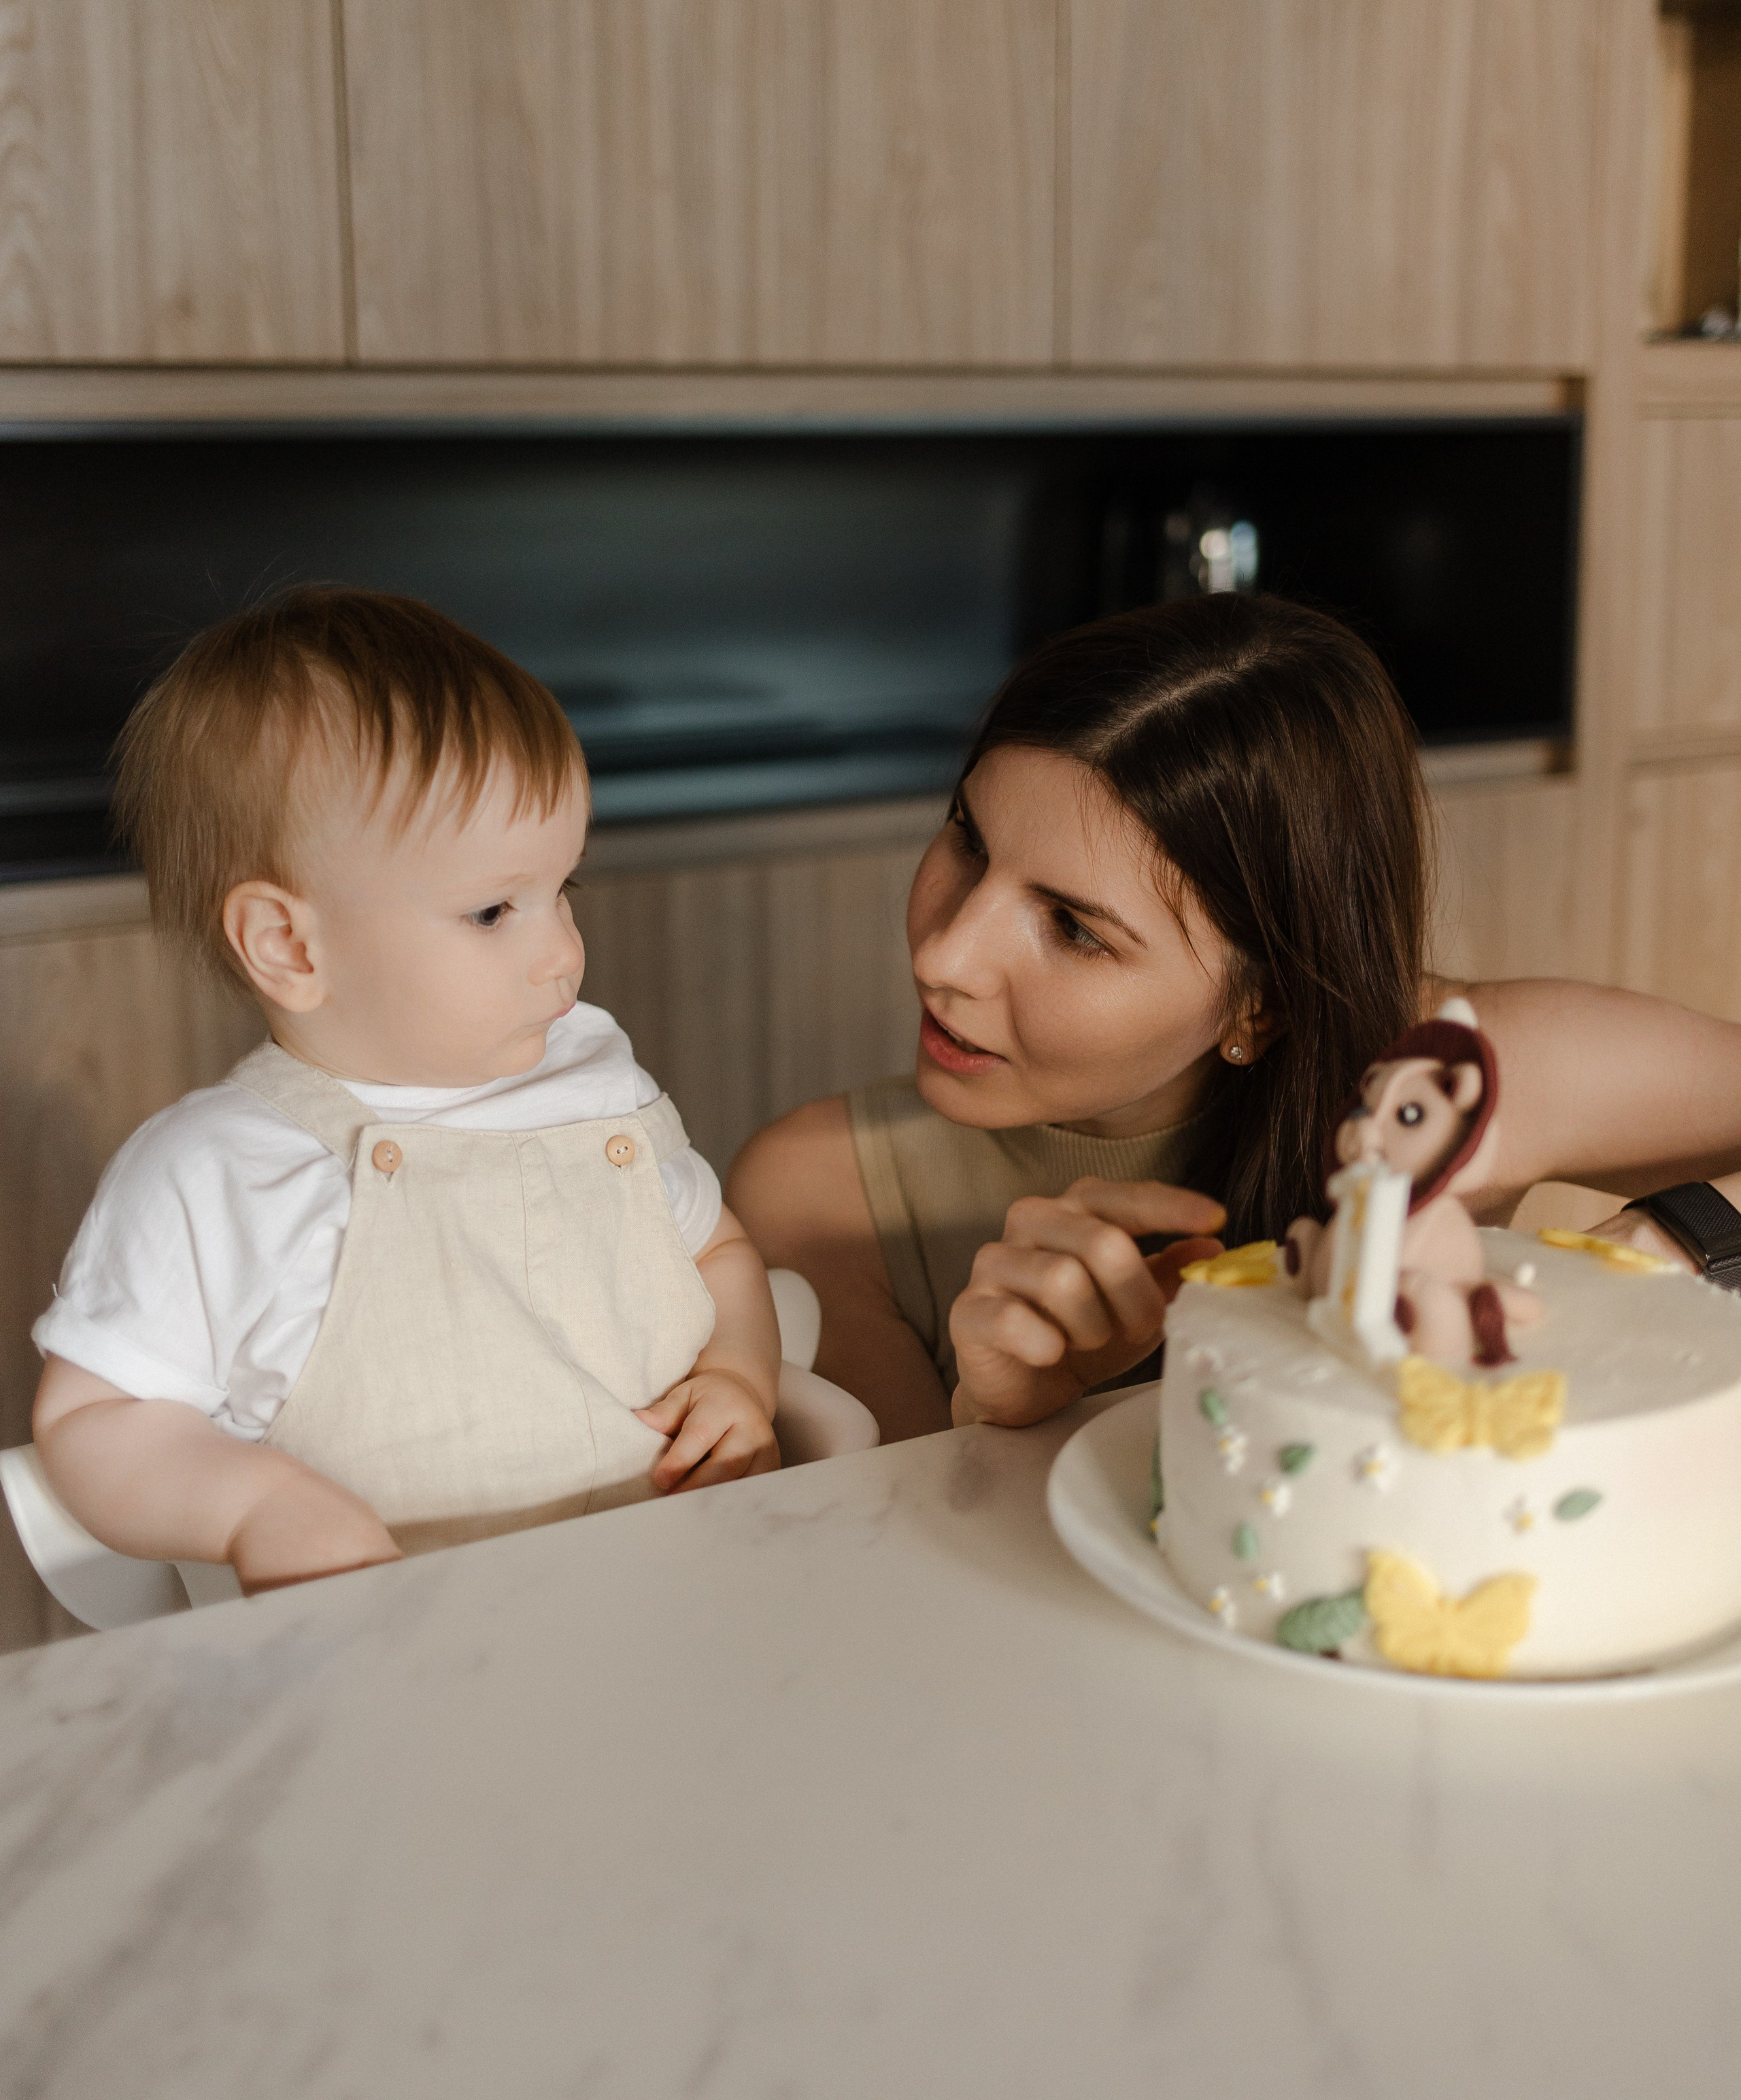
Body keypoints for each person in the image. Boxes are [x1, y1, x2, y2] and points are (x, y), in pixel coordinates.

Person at [728, 596, 1741, 1440]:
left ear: (1266, 1002)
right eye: (969, 838)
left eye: (1074, 927)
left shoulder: (1450, 1071)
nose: (942, 957)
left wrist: (1666, 1246)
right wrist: (997, 1423)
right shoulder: (814, 1194)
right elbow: (892, 1590)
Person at [32, 590, 781, 1593]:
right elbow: (94, 1418)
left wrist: (738, 1374)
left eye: (563, 890)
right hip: (400, 1653)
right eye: (493, 912)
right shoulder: (217, 1173)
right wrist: (256, 1508)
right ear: (288, 946)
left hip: (675, 1601)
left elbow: (719, 1250)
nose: (564, 953)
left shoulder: (598, 1087)